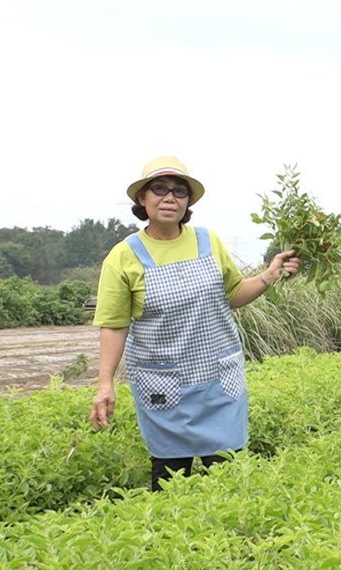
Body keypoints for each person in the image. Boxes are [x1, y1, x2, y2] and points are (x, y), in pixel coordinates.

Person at [89, 155, 300, 491]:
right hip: (164, 385)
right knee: (171, 481)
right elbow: (114, 325)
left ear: (188, 202)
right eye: (158, 189)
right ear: (141, 199)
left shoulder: (208, 241)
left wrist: (269, 276)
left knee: (230, 477)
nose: (169, 198)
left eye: (179, 191)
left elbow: (230, 295)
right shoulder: (124, 256)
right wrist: (105, 383)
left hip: (218, 382)